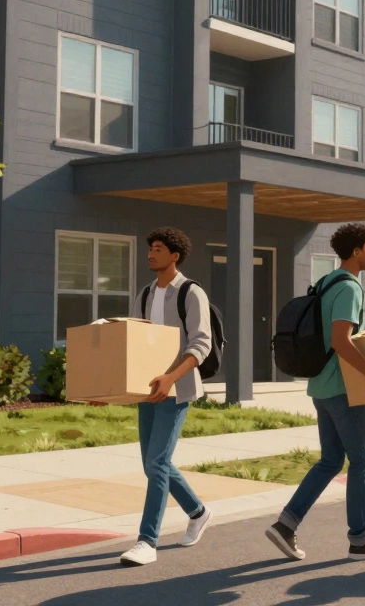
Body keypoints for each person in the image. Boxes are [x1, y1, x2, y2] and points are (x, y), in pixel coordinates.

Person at [265, 223, 365, 562]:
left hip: (321, 386)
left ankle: (285, 524)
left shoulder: (327, 281)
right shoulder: (350, 288)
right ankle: (360, 540)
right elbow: (341, 342)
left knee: (330, 460)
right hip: (341, 389)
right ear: (356, 251)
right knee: (362, 461)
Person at [119, 227, 214, 567]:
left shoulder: (190, 292)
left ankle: (147, 541)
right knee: (152, 463)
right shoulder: (145, 294)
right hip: (149, 389)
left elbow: (200, 344)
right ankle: (198, 511)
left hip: (178, 388)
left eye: (158, 248)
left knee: (157, 462)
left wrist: (171, 377)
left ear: (174, 256)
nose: (151, 253)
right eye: (150, 247)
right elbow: (133, 340)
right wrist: (113, 392)